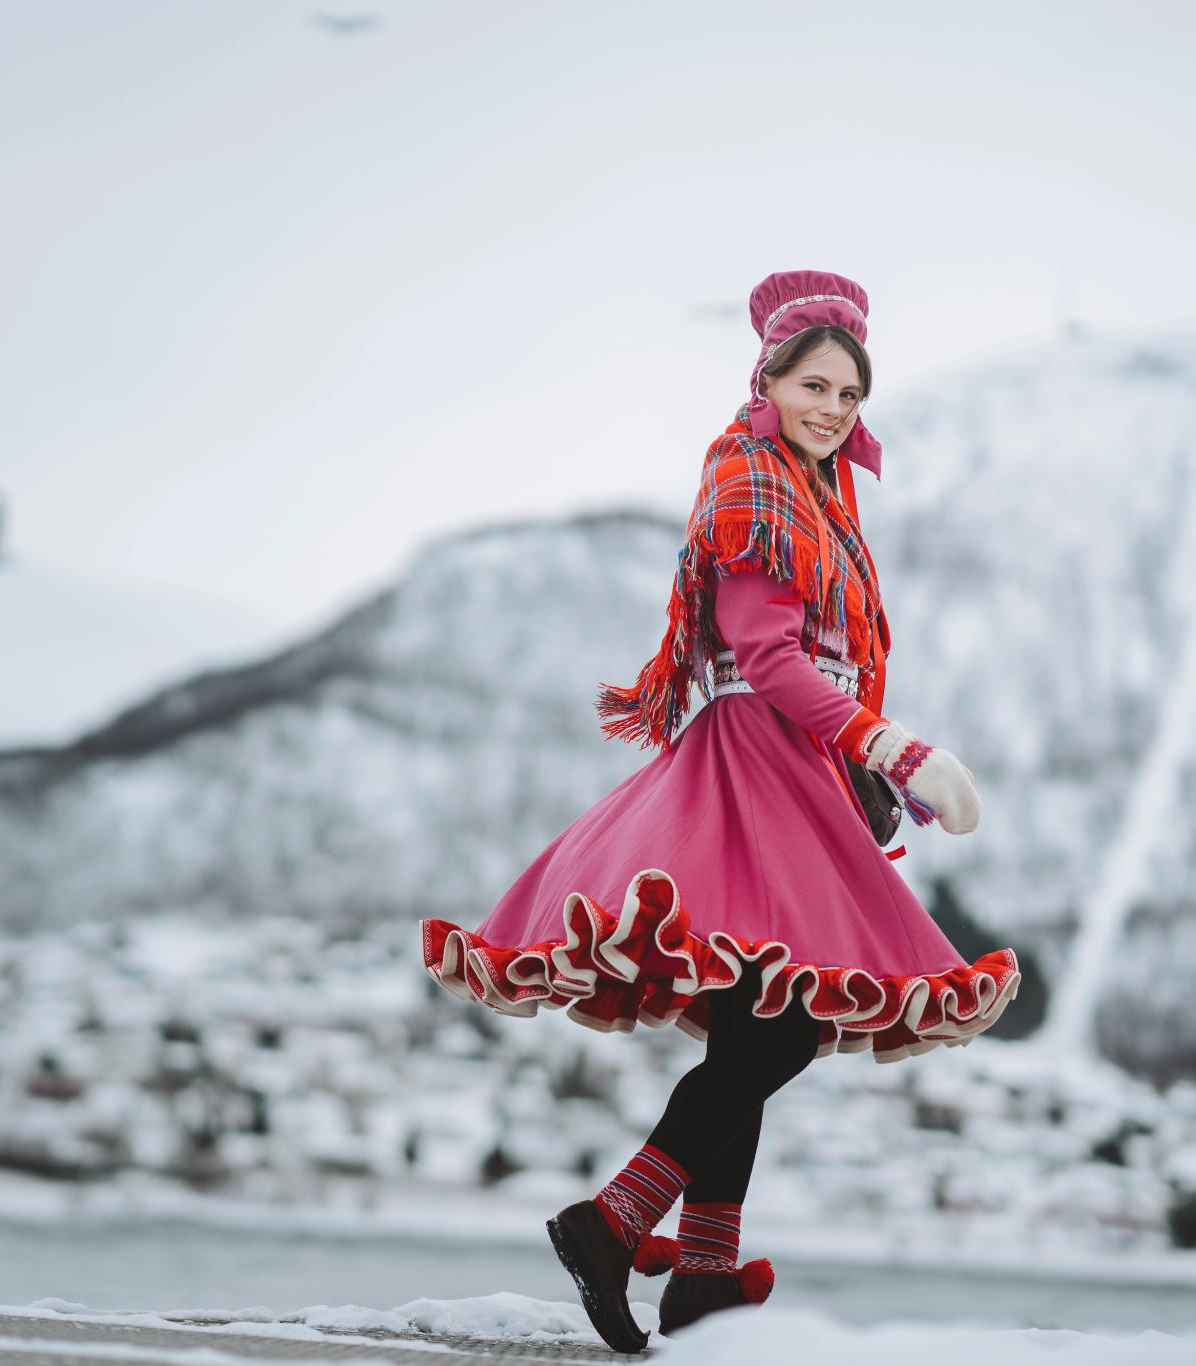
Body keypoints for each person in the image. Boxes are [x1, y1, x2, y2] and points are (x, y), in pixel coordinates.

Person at [418, 269, 1023, 1352]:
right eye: (814, 385)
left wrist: (861, 764)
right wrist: (893, 747)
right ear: (768, 380)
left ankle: (697, 1272)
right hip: (758, 761)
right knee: (784, 1021)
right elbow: (765, 655)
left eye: (849, 393)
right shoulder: (752, 480)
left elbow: (812, 664)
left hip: (797, 763)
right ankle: (615, 1221)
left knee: (763, 1017)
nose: (833, 408)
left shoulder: (815, 493)